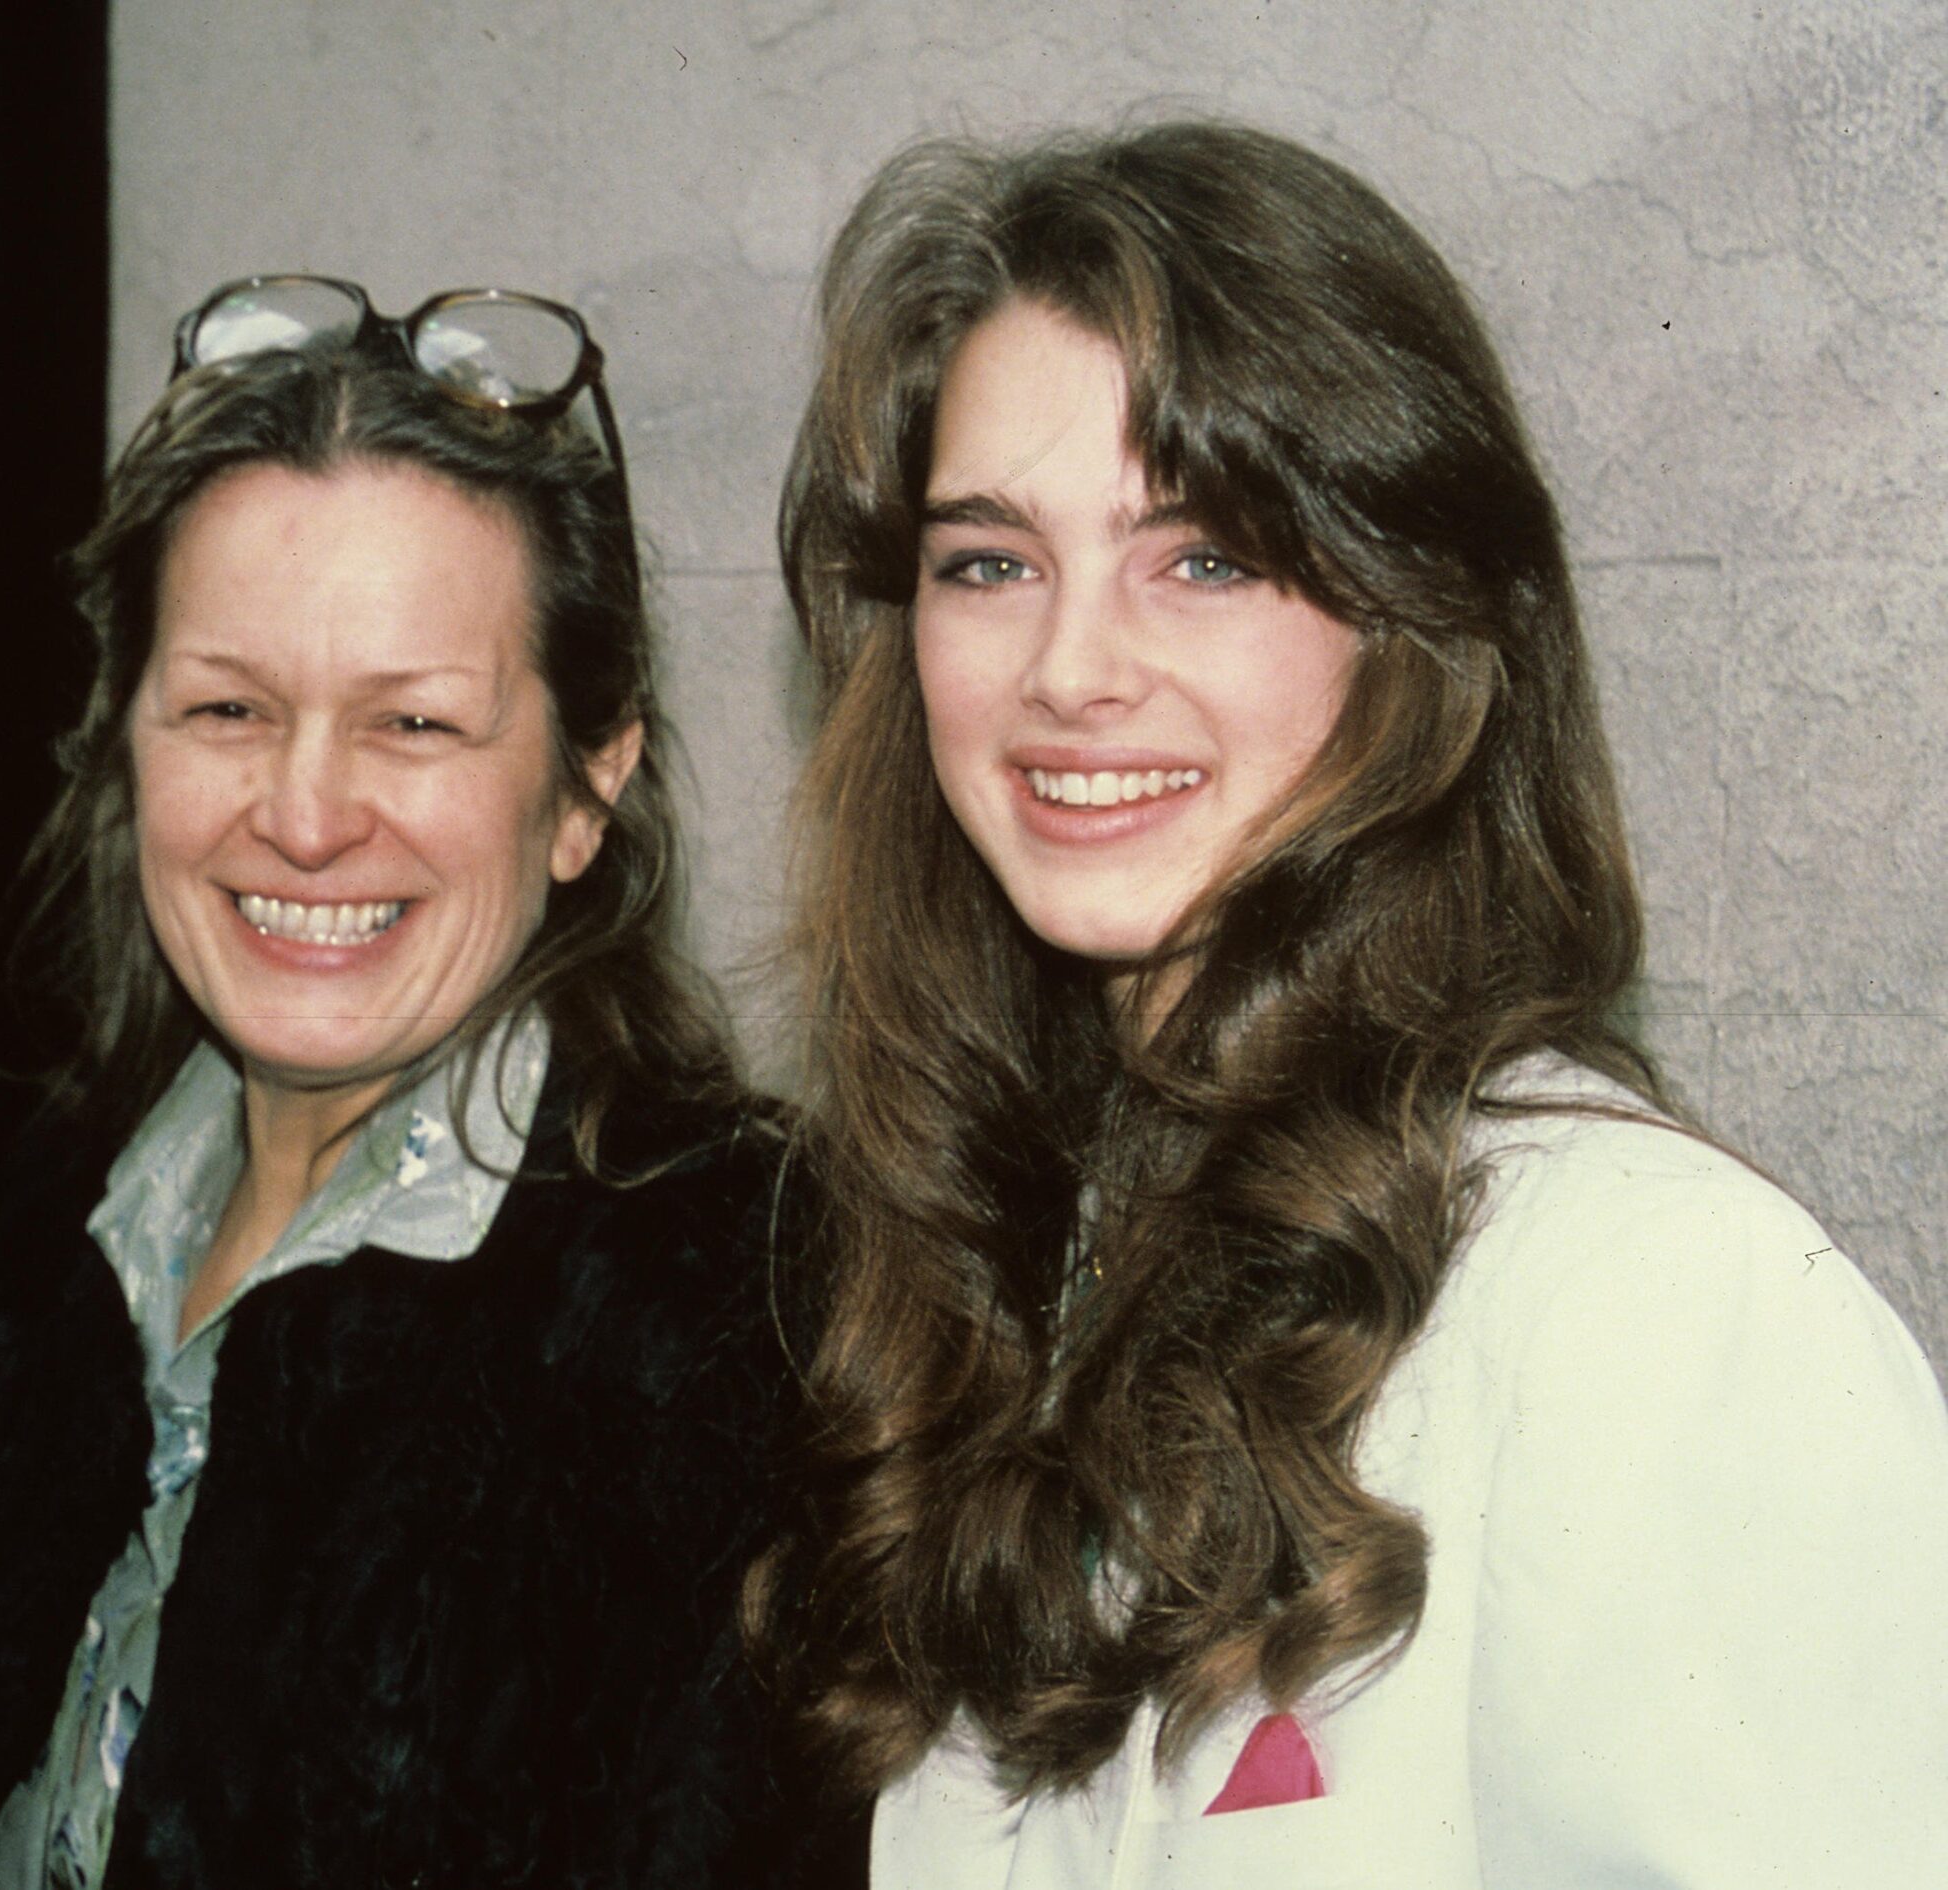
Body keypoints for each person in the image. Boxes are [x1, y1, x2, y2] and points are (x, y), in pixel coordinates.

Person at [749, 123, 1948, 1886]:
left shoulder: (1658, 1302)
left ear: (1418, 619)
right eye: (989, 561)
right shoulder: (1029, 1268)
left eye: (1205, 557)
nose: (1070, 669)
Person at [0, 280, 854, 1887]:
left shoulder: (724, 1314)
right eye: (230, 708)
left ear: (589, 784)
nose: (305, 817)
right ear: (125, 740)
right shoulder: (78, 1214)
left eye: (415, 721)